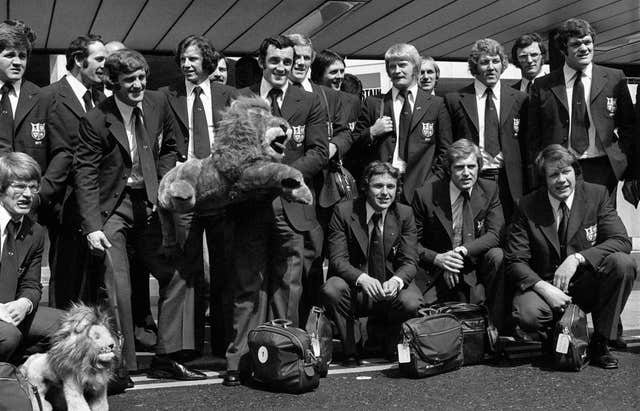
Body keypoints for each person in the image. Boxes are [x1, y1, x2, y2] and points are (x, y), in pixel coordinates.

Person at [74, 49, 205, 385]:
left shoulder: (157, 103)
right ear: (112, 82)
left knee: (178, 272)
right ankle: (119, 367)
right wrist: (92, 227)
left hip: (149, 203)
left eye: (142, 78)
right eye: (129, 80)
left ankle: (167, 357)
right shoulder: (95, 119)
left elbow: (173, 146)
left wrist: (162, 183)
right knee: (117, 285)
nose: (137, 85)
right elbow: (85, 174)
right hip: (112, 208)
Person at [224, 35, 327, 386]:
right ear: (262, 61)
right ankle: (239, 360)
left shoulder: (309, 100)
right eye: (275, 61)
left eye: (287, 60)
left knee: (288, 285)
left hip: (291, 206)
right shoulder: (241, 100)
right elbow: (232, 150)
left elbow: (318, 151)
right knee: (248, 285)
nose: (282, 67)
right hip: (251, 205)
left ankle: (284, 358)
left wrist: (289, 177)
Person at [505, 144, 636, 369]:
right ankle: (553, 338)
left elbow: (622, 241)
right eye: (554, 174)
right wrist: (544, 288)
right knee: (527, 313)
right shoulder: (527, 205)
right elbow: (515, 260)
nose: (562, 180)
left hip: (588, 285)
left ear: (575, 171)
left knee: (623, 263)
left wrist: (577, 258)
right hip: (548, 287)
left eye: (566, 171)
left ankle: (600, 341)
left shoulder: (596, 194)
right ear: (544, 180)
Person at [160, 35, 239, 357]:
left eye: (192, 59)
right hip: (185, 196)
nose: (186, 65)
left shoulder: (228, 96)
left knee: (224, 270)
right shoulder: (168, 96)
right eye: (182, 59)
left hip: (219, 194)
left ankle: (223, 344)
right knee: (187, 270)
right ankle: (185, 348)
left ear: (207, 61)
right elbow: (162, 144)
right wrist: (173, 173)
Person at [321, 161, 423, 365]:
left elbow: (410, 261)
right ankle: (352, 349)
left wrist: (397, 281)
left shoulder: (404, 214)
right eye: (378, 186)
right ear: (366, 186)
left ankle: (392, 344)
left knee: (411, 300)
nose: (385, 192)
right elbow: (337, 259)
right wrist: (362, 279)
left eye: (391, 187)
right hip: (357, 288)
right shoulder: (343, 212)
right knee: (332, 288)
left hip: (389, 289)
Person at [528, 18, 636, 200]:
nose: (584, 48)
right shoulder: (543, 85)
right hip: (561, 169)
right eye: (576, 44)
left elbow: (630, 127)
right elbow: (533, 135)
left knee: (602, 225)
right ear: (563, 49)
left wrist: (624, 163)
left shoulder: (614, 78)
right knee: (566, 224)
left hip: (603, 169)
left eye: (588, 42)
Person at [285, 34, 350, 318]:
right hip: (287, 189)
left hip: (323, 191)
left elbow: (347, 131)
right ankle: (290, 325)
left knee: (315, 260)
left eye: (305, 58)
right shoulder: (277, 94)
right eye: (295, 57)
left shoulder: (328, 95)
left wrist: (332, 146)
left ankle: (318, 325)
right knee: (292, 263)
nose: (300, 62)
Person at [412, 139, 506, 331]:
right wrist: (438, 259)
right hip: (436, 269)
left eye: (471, 166)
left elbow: (495, 234)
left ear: (479, 167)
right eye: (459, 167)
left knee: (498, 255)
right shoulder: (425, 194)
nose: (466, 173)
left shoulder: (489, 189)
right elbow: (412, 243)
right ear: (449, 169)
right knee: (424, 314)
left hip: (474, 264)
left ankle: (495, 329)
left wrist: (461, 252)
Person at [42, 34, 108, 310]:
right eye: (100, 59)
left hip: (98, 205)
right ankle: (63, 343)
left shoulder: (102, 99)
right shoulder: (49, 96)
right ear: (79, 61)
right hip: (64, 208)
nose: (106, 65)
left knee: (94, 282)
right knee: (66, 279)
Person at [353, 43, 452, 205]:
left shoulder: (436, 104)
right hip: (383, 188)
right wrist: (371, 132)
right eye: (392, 66)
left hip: (422, 189)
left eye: (402, 65)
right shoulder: (374, 103)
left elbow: (445, 150)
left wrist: (432, 182)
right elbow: (354, 146)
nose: (397, 71)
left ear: (415, 67)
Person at [445, 38, 529, 221]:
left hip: (510, 180)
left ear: (503, 64)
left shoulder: (520, 99)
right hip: (474, 178)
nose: (491, 67)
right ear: (475, 67)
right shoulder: (454, 99)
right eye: (484, 62)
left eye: (495, 61)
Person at [0, 152, 62, 363]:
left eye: (33, 187)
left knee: (72, 327)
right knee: (9, 337)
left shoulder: (35, 232)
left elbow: (32, 284)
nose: (27, 194)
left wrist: (24, 304)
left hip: (13, 311)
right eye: (18, 186)